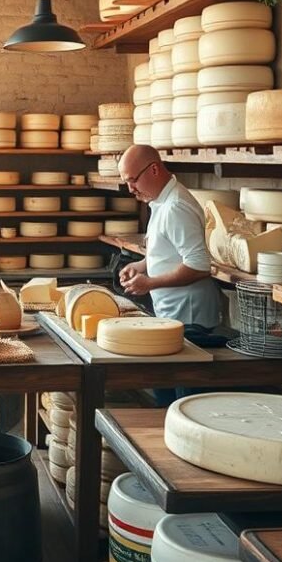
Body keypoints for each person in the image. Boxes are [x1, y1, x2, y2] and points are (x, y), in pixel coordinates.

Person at [116, 145, 222, 404]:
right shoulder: (159, 201)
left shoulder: (176, 207)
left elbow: (198, 265)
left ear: (153, 169)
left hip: (190, 321)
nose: (130, 189)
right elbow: (170, 253)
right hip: (171, 318)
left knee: (184, 404)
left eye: (133, 180)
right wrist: (141, 266)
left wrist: (149, 283)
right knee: (165, 397)